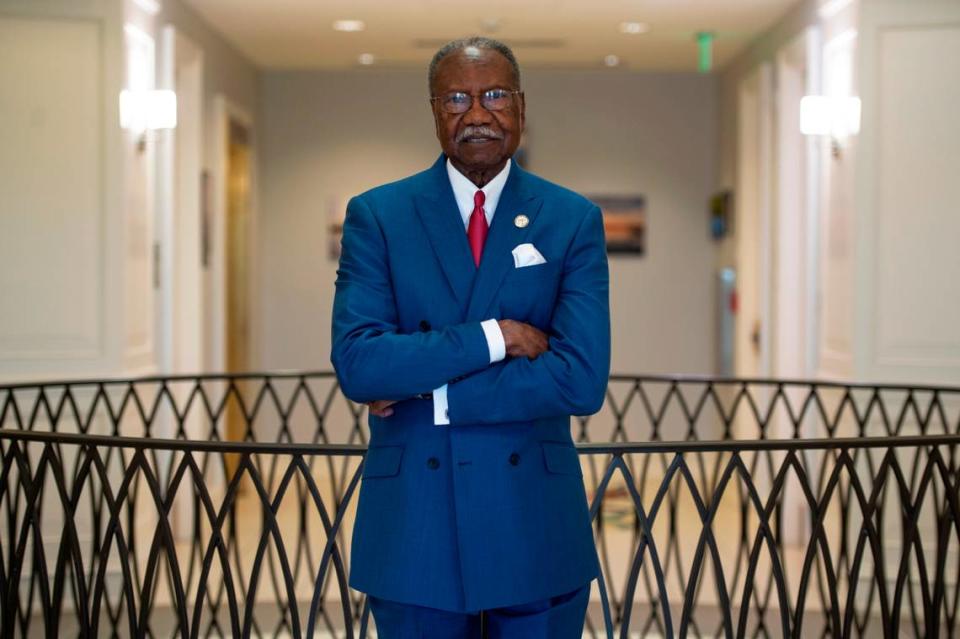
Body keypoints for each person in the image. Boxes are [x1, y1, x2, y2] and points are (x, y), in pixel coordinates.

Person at [331, 36, 610, 638]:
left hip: (533, 516)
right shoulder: (379, 215)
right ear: (434, 110)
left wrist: (431, 396)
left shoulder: (571, 218)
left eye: (494, 95)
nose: (477, 113)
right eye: (456, 97)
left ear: (521, 106)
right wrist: (496, 335)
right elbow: (360, 364)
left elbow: (581, 378)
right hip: (415, 522)